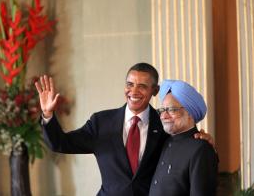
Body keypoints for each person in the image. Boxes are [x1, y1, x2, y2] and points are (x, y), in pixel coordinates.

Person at [35, 62, 213, 196]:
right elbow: (60, 143)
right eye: (130, 84)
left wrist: (203, 140)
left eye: (142, 86)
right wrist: (48, 115)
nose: (134, 91)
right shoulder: (101, 122)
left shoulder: (165, 124)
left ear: (155, 90)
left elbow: (184, 148)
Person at [149, 80, 218, 196]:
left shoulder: (201, 149)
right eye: (162, 110)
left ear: (190, 113)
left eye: (171, 110)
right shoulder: (164, 141)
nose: (164, 116)